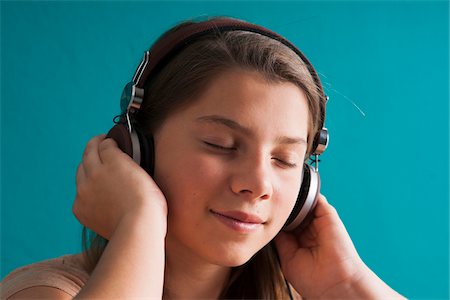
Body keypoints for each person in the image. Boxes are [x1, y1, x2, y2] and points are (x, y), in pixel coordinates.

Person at [1, 17, 406, 299]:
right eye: (221, 144)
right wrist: (140, 224)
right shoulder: (45, 292)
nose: (259, 184)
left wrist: (347, 286)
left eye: (284, 159)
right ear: (137, 149)